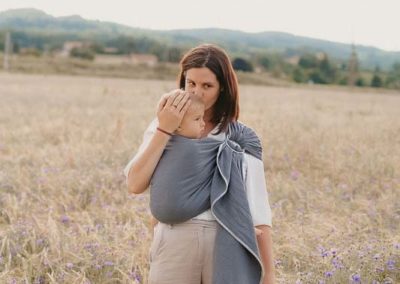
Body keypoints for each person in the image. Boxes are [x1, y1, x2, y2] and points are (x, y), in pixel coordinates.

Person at [124, 44, 275, 284]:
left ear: (223, 88)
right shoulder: (162, 126)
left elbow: (258, 209)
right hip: (174, 243)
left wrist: (269, 274)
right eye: (190, 83)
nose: (197, 92)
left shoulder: (239, 138)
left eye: (207, 86)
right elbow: (134, 183)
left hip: (225, 242)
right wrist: (165, 129)